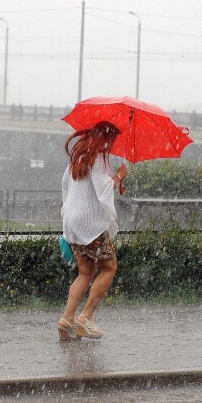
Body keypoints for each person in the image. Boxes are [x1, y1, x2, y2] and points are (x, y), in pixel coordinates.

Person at [57, 121, 128, 341]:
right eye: (112, 140)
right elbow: (103, 190)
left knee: (85, 272)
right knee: (109, 267)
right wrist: (118, 176)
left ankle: (67, 320)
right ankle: (85, 316)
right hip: (89, 224)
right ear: (104, 138)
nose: (112, 144)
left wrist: (114, 181)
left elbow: (66, 185)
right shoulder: (97, 159)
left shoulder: (78, 157)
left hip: (73, 222)